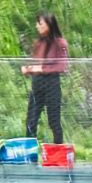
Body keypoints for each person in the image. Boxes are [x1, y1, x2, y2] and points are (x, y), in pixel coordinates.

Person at [21, 11, 68, 144]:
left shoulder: (60, 43)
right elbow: (37, 64)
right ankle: (30, 155)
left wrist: (40, 69)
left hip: (52, 85)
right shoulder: (39, 43)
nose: (37, 26)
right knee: (31, 121)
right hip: (37, 85)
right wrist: (28, 69)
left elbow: (62, 66)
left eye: (40, 23)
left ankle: (58, 153)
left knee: (54, 121)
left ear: (49, 25)